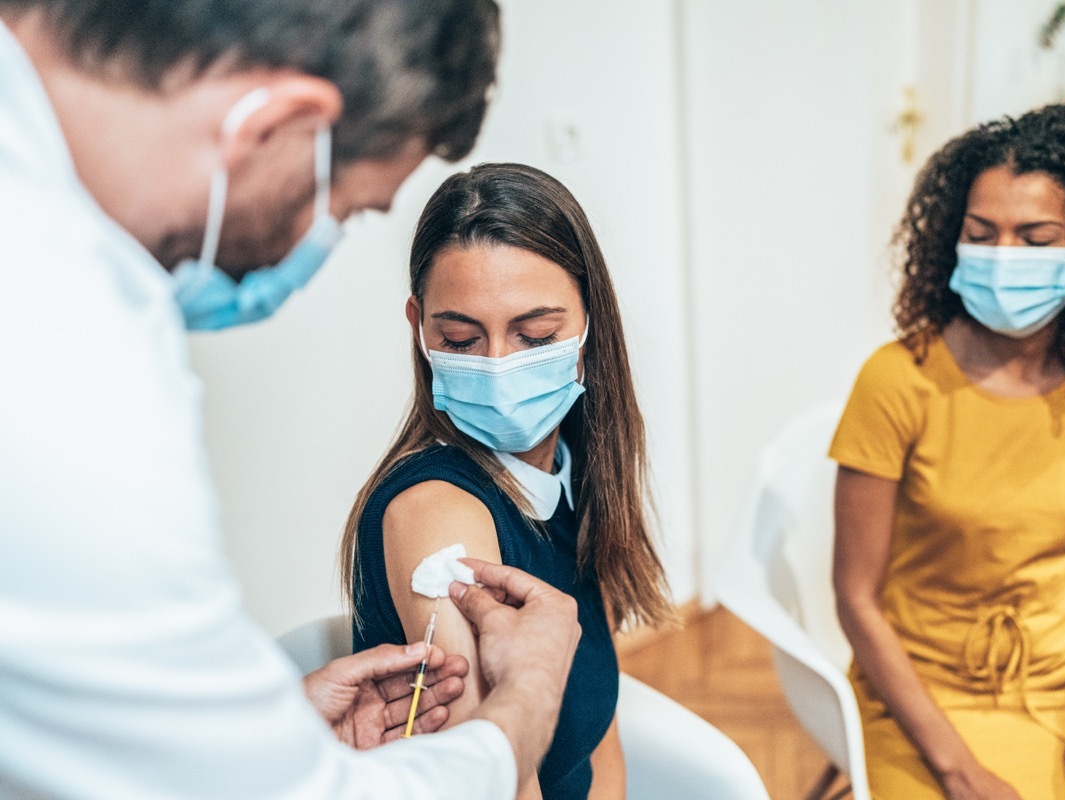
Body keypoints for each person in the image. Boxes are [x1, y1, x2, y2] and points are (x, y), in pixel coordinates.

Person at [0, 2, 585, 798]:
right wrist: (521, 711)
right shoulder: (66, 375)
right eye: (346, 210)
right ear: (277, 125)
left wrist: (273, 731)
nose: (320, 238)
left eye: (533, 331)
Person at [830, 104, 1065, 800]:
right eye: (981, 234)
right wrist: (958, 770)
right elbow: (854, 596)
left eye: (1036, 238)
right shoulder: (897, 381)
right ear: (952, 241)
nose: (1004, 259)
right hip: (920, 692)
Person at [340, 163, 676, 800]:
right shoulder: (438, 517)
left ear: (586, 326)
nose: (498, 367)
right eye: (461, 339)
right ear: (419, 327)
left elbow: (600, 743)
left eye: (535, 335)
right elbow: (491, 780)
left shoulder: (575, 479)